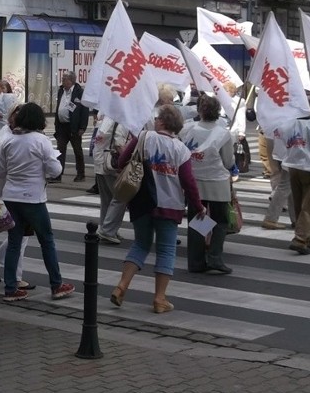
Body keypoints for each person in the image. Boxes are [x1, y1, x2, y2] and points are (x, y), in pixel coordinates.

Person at [110, 105, 205, 314]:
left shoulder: (144, 137)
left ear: (162, 122)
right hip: (170, 206)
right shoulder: (181, 150)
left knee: (140, 244)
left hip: (142, 202)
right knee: (166, 250)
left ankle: (121, 287)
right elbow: (189, 183)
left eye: (158, 118)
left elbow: (122, 161)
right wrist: (198, 208)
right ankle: (159, 299)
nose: (155, 120)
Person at [0, 103, 74, 302]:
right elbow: (56, 170)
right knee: (46, 240)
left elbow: (0, 172)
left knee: (14, 242)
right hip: (34, 198)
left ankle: (11, 287)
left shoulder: (9, 141)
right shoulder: (41, 140)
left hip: (11, 196)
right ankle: (56, 285)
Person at [179, 96, 235, 273]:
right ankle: (215, 257)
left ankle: (195, 262)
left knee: (198, 220)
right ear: (218, 112)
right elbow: (228, 162)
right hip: (216, 182)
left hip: (194, 181)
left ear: (199, 110)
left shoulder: (187, 129)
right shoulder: (223, 134)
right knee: (220, 221)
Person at [0, 104, 35, 291]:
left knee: (21, 235)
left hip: (18, 191)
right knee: (20, 236)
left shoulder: (17, 135)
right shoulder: (3, 139)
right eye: (17, 114)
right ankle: (15, 277)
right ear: (11, 117)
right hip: (9, 192)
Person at [279, 101, 310, 255]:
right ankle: (300, 239)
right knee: (309, 204)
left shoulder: (288, 125)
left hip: (293, 166)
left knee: (299, 201)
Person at [94, 114, 132, 245]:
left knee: (107, 199)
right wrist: (128, 160)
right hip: (112, 164)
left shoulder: (107, 116)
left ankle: (105, 227)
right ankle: (108, 230)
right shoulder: (123, 119)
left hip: (100, 161)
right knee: (121, 197)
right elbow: (119, 143)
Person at [51, 71, 89, 183]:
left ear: (71, 80)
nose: (62, 81)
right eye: (62, 79)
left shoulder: (79, 92)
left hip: (74, 127)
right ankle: (57, 175)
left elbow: (84, 111)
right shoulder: (61, 91)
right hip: (62, 127)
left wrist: (82, 127)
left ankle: (81, 174)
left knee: (77, 151)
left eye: (64, 79)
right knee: (60, 151)